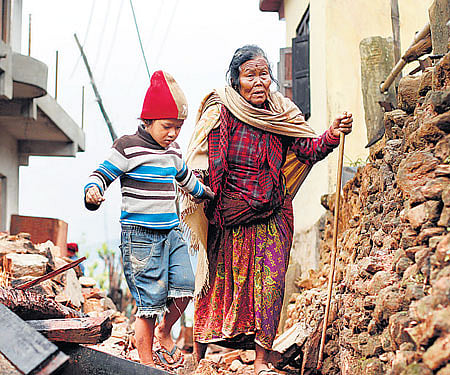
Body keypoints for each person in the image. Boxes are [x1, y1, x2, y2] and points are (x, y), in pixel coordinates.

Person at [181, 45, 353, 375]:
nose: (259, 82)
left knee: (271, 288)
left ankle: (261, 362)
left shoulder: (282, 113)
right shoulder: (221, 110)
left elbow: (308, 150)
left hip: (273, 214)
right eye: (250, 75)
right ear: (236, 80)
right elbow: (207, 161)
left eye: (264, 74)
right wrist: (200, 188)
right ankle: (198, 359)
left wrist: (332, 134)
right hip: (229, 217)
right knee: (215, 287)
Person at [84, 70, 214, 370]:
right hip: (140, 238)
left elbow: (185, 179)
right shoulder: (127, 146)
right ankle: (145, 364)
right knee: (149, 304)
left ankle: (164, 331)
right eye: (167, 126)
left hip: (171, 233)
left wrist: (206, 193)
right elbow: (100, 175)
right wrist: (93, 191)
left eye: (178, 128)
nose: (173, 134)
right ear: (148, 121)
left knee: (185, 287)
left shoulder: (173, 151)